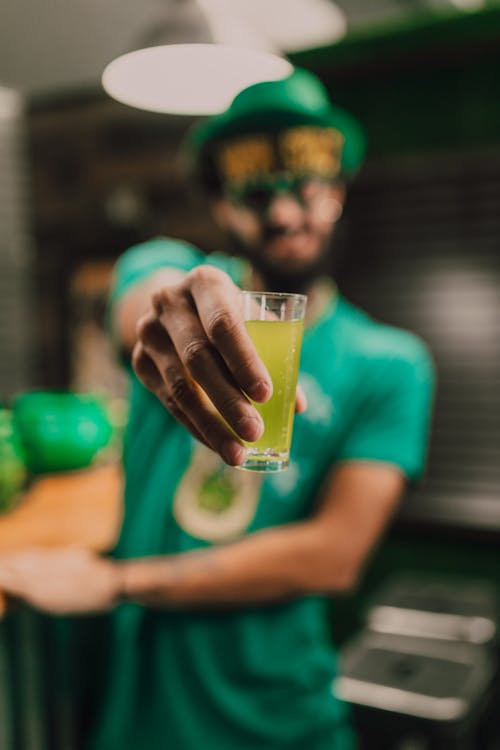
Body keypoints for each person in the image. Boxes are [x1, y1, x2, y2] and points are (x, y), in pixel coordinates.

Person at [0, 69, 435, 749]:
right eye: (257, 191)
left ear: (338, 193)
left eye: (307, 186)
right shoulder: (170, 267)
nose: (286, 213)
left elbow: (334, 555)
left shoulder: (390, 363)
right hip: (140, 716)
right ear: (222, 206)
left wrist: (116, 581)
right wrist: (166, 316)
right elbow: (148, 298)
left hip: (278, 720)